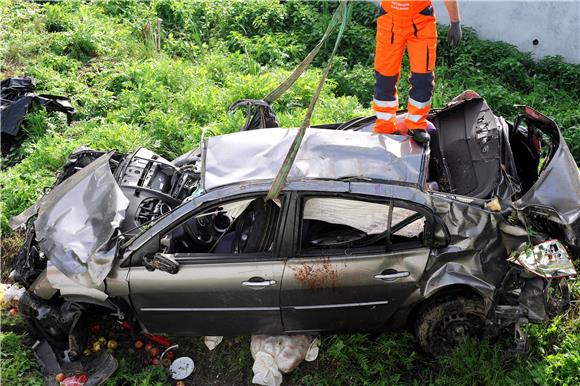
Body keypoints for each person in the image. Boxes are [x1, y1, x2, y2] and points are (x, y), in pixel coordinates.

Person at [373, 0, 461, 143]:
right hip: (389, 20)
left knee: (423, 77)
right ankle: (384, 125)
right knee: (385, 76)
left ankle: (416, 124)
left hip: (421, 22)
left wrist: (455, 22)